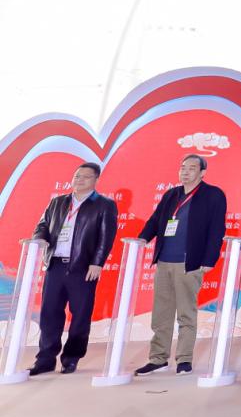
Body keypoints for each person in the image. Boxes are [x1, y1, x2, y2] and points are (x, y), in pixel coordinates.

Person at [134, 154, 227, 376]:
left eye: (191, 168)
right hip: (164, 260)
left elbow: (217, 229)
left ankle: (184, 359)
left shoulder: (213, 194)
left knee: (186, 313)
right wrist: (142, 239)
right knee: (161, 313)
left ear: (202, 172)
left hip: (189, 263)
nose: (185, 171)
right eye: (183, 167)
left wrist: (209, 259)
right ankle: (158, 359)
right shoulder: (171, 194)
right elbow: (155, 220)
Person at [29, 162, 118, 376]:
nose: (79, 180)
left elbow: (106, 237)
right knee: (49, 313)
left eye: (85, 177)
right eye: (77, 176)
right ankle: (45, 359)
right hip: (55, 265)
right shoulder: (58, 202)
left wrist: (97, 262)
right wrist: (40, 238)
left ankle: (71, 358)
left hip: (83, 268)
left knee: (80, 315)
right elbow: (42, 225)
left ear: (96, 180)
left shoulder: (104, 205)